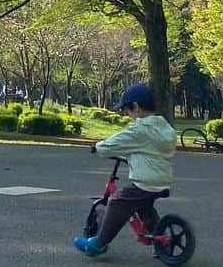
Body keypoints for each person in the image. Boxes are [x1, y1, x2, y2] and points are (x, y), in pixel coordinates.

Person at [72, 83, 176, 258]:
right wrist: (131, 156)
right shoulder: (164, 127)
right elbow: (149, 151)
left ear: (135, 106)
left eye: (127, 110)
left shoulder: (140, 129)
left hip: (146, 182)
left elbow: (117, 142)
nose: (128, 115)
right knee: (144, 206)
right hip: (162, 180)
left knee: (117, 202)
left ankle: (98, 244)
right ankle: (160, 242)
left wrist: (98, 147)